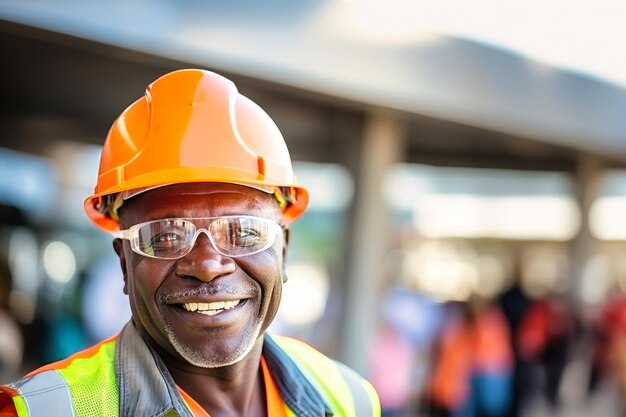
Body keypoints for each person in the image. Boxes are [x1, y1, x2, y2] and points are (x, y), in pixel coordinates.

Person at [0, 69, 380, 417]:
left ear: (282, 250)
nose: (207, 264)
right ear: (124, 264)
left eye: (243, 231)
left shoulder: (350, 399)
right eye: (165, 236)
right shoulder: (44, 410)